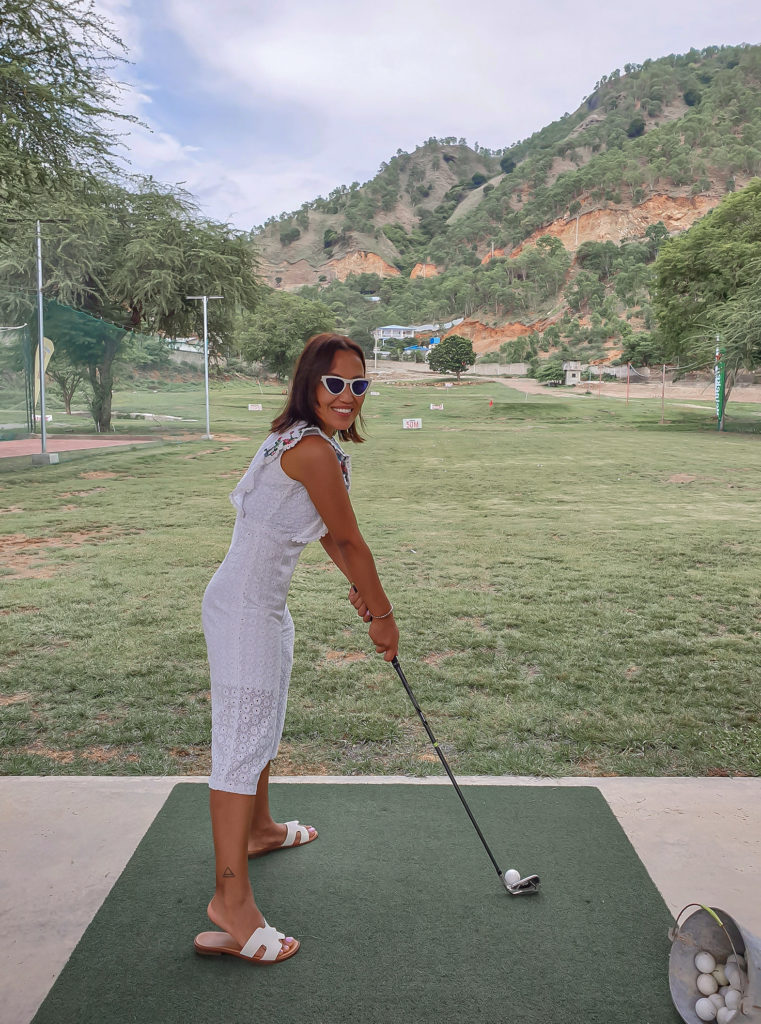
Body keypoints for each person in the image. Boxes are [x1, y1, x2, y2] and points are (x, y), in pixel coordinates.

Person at [194, 332, 399, 965]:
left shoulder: (305, 442)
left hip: (254, 606)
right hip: (245, 613)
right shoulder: (311, 450)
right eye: (335, 383)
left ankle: (259, 830)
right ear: (311, 383)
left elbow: (335, 544)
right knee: (238, 744)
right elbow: (352, 540)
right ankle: (231, 903)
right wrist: (383, 615)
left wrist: (361, 592)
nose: (347, 396)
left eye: (358, 385)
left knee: (259, 730)